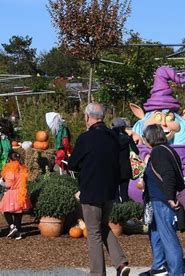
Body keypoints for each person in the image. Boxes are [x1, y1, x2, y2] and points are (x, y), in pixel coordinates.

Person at [68, 103, 130, 276]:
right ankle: (120, 262)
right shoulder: (113, 136)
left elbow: (73, 164)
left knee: (93, 233)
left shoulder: (85, 138)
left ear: (88, 117)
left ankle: (97, 273)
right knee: (102, 226)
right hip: (110, 191)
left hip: (91, 191)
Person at [142, 124, 185, 276]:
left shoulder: (159, 152)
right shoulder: (167, 150)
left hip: (163, 200)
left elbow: (168, 175)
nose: (143, 140)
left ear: (150, 138)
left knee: (168, 237)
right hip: (156, 199)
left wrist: (170, 198)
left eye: (145, 137)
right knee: (156, 233)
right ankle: (159, 267)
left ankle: (176, 272)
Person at [0, 151, 32, 240]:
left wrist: (2, 183)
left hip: (12, 194)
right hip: (21, 193)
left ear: (9, 159)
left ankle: (12, 226)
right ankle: (18, 231)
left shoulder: (10, 169)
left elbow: (8, 184)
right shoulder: (22, 168)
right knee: (18, 212)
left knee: (6, 211)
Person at [112, 118, 139, 203]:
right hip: (125, 168)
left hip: (113, 168)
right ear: (123, 127)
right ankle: (126, 212)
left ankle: (116, 213)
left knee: (114, 195)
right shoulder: (128, 138)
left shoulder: (109, 138)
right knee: (124, 194)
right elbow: (136, 151)